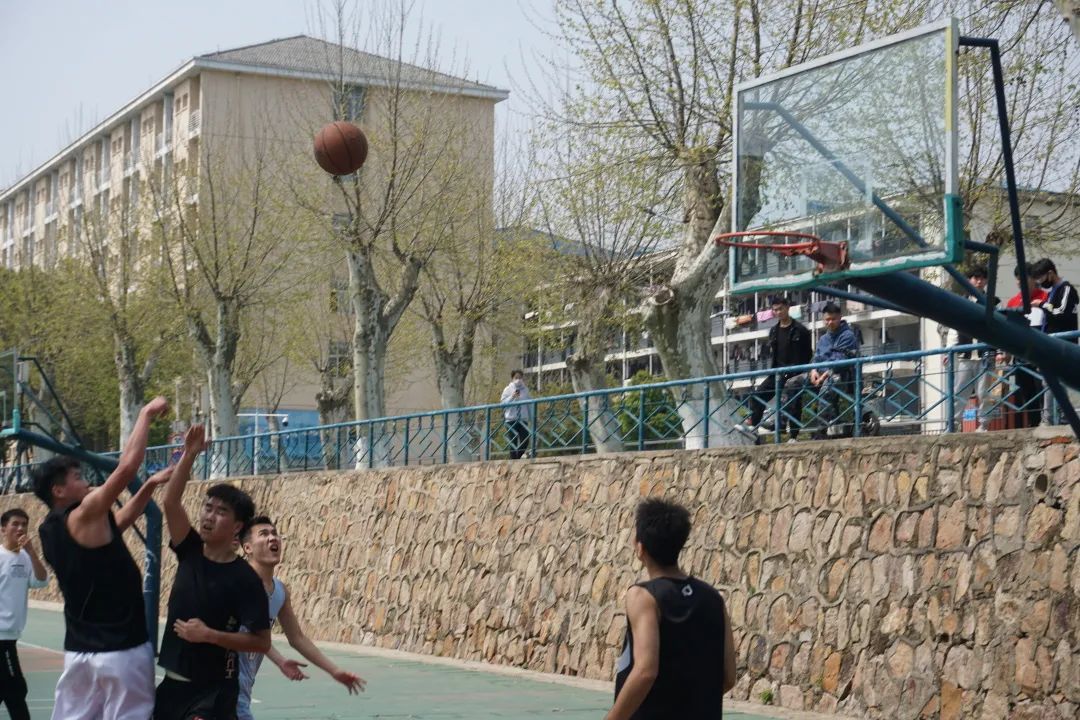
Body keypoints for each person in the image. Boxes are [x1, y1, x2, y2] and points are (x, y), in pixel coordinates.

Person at [32, 396, 173, 720]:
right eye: (77, 477)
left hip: (80, 653)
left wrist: (150, 485)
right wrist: (146, 414)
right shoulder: (84, 513)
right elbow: (127, 467)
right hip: (122, 649)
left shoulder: (50, 528)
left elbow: (121, 520)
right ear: (58, 491)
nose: (85, 480)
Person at [155, 424, 271, 720]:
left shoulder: (246, 579)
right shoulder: (190, 550)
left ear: (237, 527)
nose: (209, 516)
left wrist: (210, 635)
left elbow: (261, 642)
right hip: (172, 686)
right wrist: (190, 454)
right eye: (207, 508)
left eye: (221, 512)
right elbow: (170, 501)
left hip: (213, 692)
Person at [607, 498, 736, 720]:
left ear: (640, 548)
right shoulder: (714, 598)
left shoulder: (644, 597)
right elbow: (729, 677)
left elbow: (645, 671)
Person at [236, 517, 365, 719]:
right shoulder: (236, 583)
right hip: (215, 691)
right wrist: (279, 660)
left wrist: (334, 671)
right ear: (247, 548)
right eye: (264, 534)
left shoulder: (280, 591)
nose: (272, 538)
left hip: (241, 695)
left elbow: (297, 638)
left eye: (274, 533)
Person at [782, 302, 860, 440]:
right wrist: (813, 370)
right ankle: (781, 421)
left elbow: (840, 360)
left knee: (828, 385)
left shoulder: (848, 335)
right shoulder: (823, 338)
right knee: (791, 383)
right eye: (827, 319)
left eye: (833, 319)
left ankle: (821, 430)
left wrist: (823, 376)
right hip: (819, 374)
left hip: (841, 375)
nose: (830, 322)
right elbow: (816, 358)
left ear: (840, 317)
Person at [741, 297, 812, 441]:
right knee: (758, 395)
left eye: (781, 309)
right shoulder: (774, 331)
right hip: (777, 372)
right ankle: (754, 428)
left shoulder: (800, 330)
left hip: (794, 373)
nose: (778, 312)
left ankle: (793, 436)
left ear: (787, 308)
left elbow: (808, 353)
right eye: (775, 310)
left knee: (793, 403)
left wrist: (800, 371)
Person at [0, 509, 48, 720]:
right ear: (3, 529)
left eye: (24, 524)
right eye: (15, 524)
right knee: (15, 689)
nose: (20, 528)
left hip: (11, 636)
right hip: (1, 637)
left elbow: (42, 581)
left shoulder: (26, 558)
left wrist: (32, 552)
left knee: (8, 687)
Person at [1000, 264, 1049, 428]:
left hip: (1041, 353)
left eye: (1024, 278)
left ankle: (1048, 421)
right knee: (1026, 393)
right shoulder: (1013, 302)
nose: (1020, 282)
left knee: (1043, 390)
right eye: (1017, 279)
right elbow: (1007, 330)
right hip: (1021, 355)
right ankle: (1034, 424)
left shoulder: (1045, 297)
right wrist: (1006, 352)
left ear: (1034, 278)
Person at [1031, 258, 1079, 424]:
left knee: (1054, 381)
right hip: (1051, 343)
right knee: (1050, 381)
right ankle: (1055, 417)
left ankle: (1054, 418)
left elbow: (1061, 312)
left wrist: (1042, 305)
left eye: (1041, 278)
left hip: (1063, 344)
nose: (1040, 282)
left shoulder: (1066, 289)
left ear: (1050, 273)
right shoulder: (1053, 292)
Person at [945, 267, 993, 431]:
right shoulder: (961, 302)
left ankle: (984, 425)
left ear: (986, 281)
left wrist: (1000, 350)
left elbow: (999, 327)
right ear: (969, 280)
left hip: (985, 353)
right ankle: (953, 424)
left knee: (984, 392)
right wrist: (949, 349)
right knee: (959, 391)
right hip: (964, 354)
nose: (979, 281)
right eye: (975, 277)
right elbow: (954, 328)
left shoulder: (992, 301)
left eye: (982, 278)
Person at [500, 370, 531, 459]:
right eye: (516, 378)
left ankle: (518, 457)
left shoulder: (525, 390)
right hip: (511, 419)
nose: (518, 380)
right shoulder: (507, 389)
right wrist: (512, 397)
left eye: (520, 378)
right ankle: (513, 460)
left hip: (523, 419)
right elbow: (502, 404)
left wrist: (532, 417)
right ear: (512, 379)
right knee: (512, 442)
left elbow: (529, 404)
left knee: (525, 440)